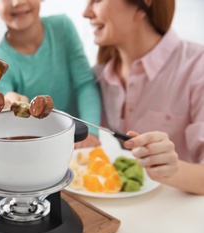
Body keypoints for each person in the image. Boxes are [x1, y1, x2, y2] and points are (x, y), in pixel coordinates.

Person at [83, 0, 204, 195]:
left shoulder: (198, 66)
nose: (86, 13)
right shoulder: (95, 78)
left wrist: (172, 170)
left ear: (141, 6)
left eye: (97, 0)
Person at [0, 0, 101, 147]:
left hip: (78, 142)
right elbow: (3, 100)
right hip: (37, 147)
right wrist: (9, 101)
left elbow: (85, 84)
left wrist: (90, 131)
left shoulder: (63, 26)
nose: (17, 3)